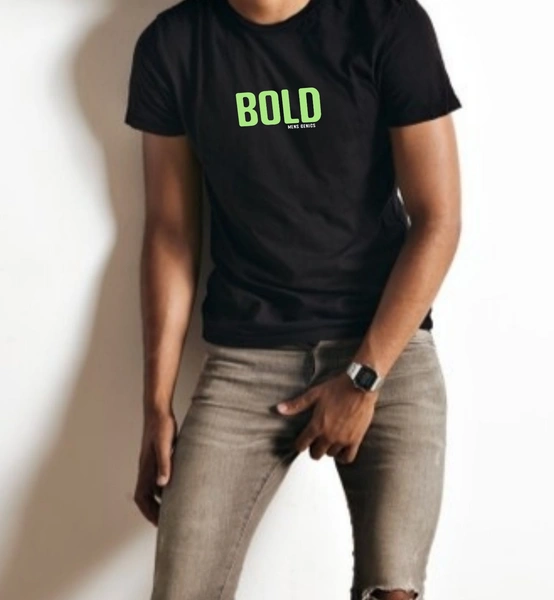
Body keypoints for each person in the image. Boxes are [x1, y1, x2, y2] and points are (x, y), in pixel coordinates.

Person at [124, 0, 462, 598]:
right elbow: (171, 235)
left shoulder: (386, 22)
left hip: (386, 347)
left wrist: (363, 378)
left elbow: (439, 218)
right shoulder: (173, 45)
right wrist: (156, 405)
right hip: (248, 359)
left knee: (394, 589)